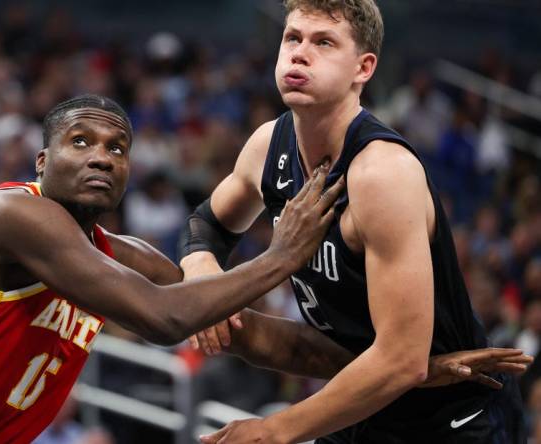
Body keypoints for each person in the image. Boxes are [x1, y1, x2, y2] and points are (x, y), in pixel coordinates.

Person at [0, 95, 524, 444]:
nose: (103, 155)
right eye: (81, 142)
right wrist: (281, 254)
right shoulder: (10, 215)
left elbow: (261, 339)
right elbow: (164, 318)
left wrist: (409, 367)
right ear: (43, 162)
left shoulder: (118, 260)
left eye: (117, 146)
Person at [179, 1, 530, 443]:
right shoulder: (268, 145)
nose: (300, 53)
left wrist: (274, 430)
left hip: (451, 415)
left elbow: (403, 359)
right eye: (293, 38)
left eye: (323, 42)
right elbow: (204, 226)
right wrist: (201, 271)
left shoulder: (382, 173)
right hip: (362, 398)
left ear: (363, 69)